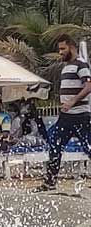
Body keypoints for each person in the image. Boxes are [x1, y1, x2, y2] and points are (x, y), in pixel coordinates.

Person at [38, 34, 91, 192]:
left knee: (88, 147)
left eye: (63, 48)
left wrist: (73, 101)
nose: (60, 52)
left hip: (81, 115)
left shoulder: (81, 65)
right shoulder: (66, 67)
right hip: (66, 116)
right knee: (55, 145)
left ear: (72, 47)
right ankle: (50, 181)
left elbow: (88, 86)